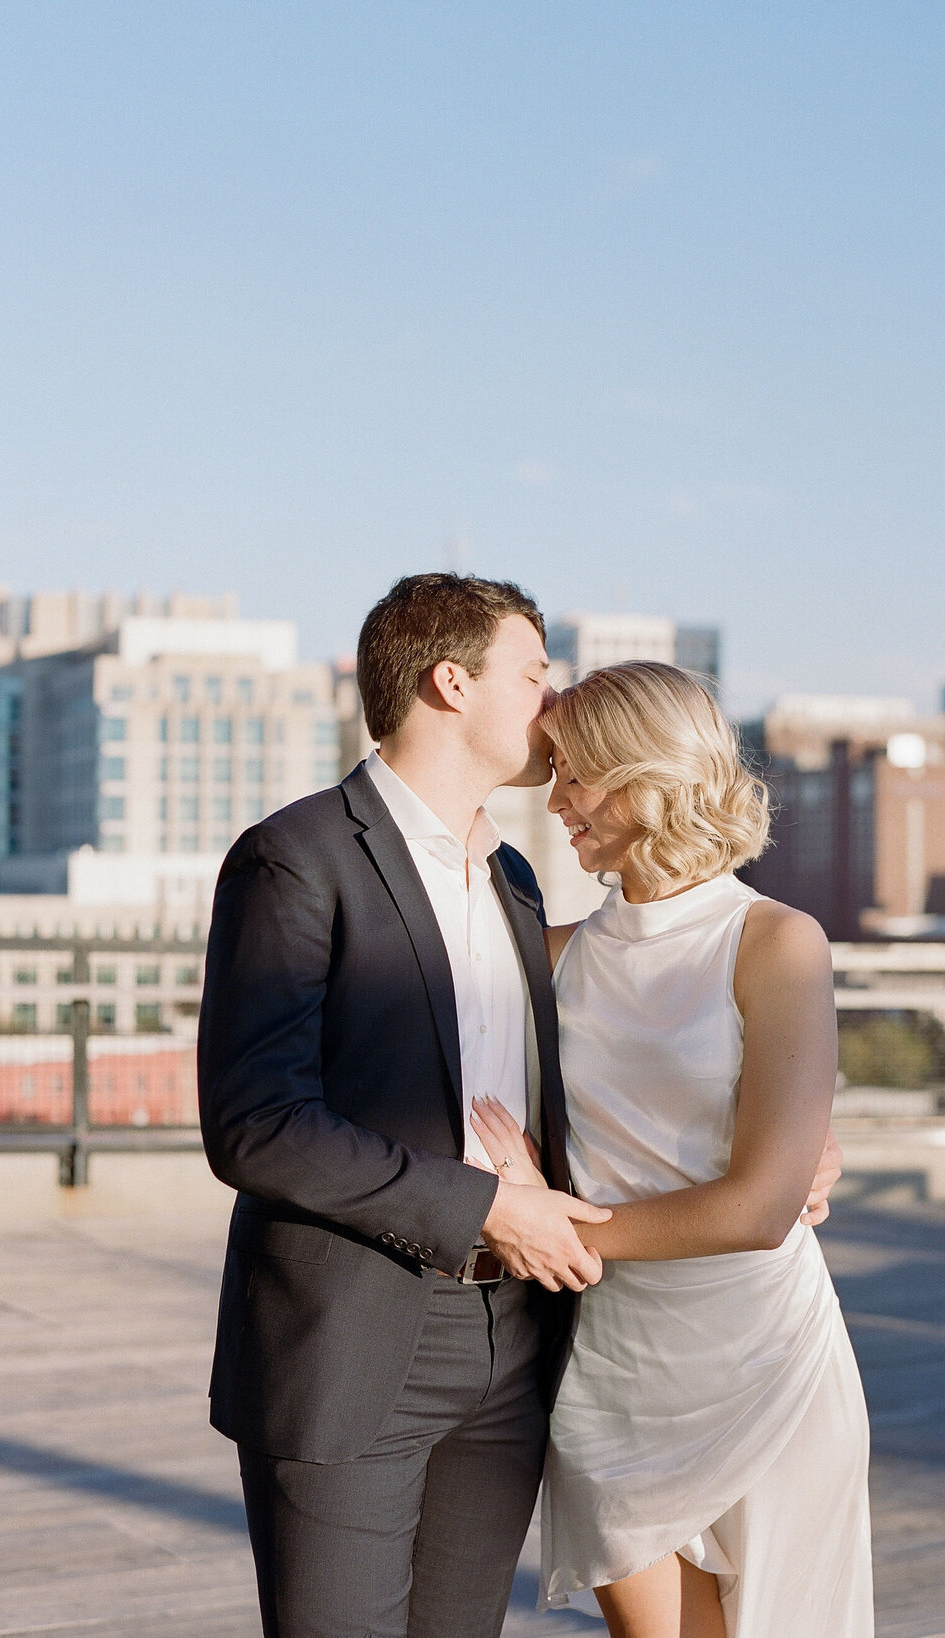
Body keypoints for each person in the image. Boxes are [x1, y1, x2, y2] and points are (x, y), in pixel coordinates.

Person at [198, 574, 843, 1638]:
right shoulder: (298, 855)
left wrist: (804, 1136)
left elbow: (647, 1044)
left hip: (520, 1343)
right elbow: (255, 1125)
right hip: (353, 1344)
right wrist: (489, 1210)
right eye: (536, 672)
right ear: (452, 682)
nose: (554, 701)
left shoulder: (516, 883)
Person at [469, 660, 873, 1638]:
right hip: (610, 1370)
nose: (557, 801)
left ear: (651, 772)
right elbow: (480, 1116)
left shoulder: (776, 943)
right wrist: (508, 1189)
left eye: (578, 775)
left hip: (766, 1356)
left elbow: (761, 1208)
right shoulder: (550, 955)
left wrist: (554, 1224)